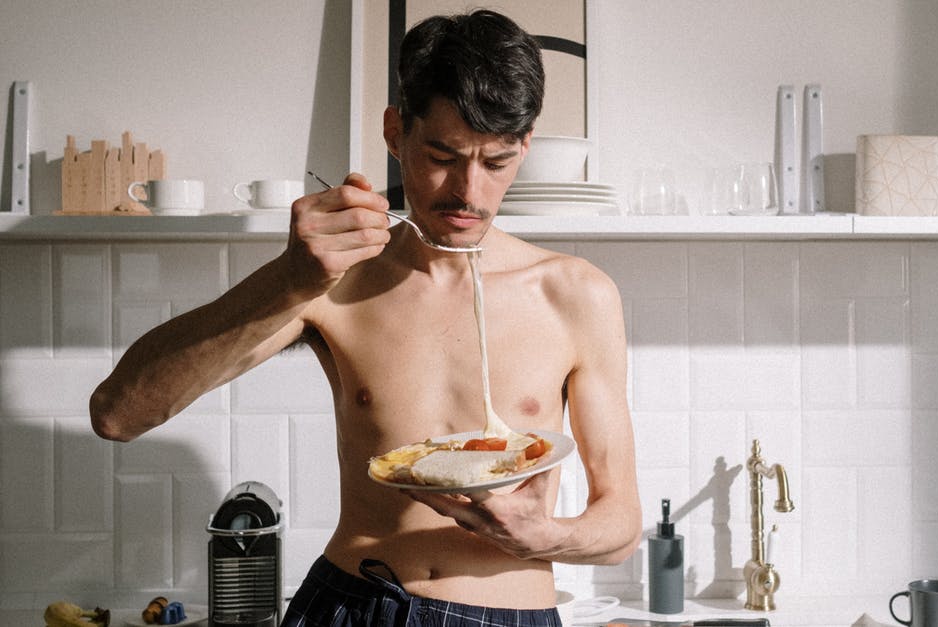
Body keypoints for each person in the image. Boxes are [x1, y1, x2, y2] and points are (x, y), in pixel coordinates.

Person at [89, 9, 640, 626]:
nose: (469, 193)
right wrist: (287, 280)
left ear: (526, 147)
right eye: (442, 155)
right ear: (394, 131)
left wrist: (541, 536)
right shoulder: (332, 279)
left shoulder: (575, 293)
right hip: (349, 603)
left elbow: (619, 526)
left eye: (496, 163)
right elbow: (117, 413)